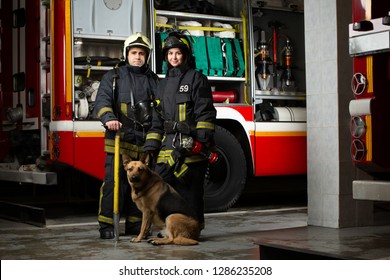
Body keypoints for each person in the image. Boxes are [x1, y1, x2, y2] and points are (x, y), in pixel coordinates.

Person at [143, 32, 217, 228]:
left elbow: (205, 112)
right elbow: (157, 119)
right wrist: (151, 145)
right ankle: (170, 227)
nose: (173, 57)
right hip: (168, 146)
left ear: (185, 55)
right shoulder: (162, 84)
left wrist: (202, 139)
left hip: (191, 147)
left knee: (190, 190)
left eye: (178, 53)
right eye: (170, 54)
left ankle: (194, 228)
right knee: (159, 187)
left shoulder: (197, 79)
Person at [94, 32, 159, 239]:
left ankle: (135, 225)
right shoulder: (113, 77)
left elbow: (159, 109)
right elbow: (102, 102)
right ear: (126, 54)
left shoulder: (153, 80)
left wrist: (152, 139)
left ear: (146, 56)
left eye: (141, 53)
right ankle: (107, 226)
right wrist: (109, 119)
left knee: (141, 185)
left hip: (143, 142)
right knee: (114, 185)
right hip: (119, 140)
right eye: (133, 53)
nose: (137, 57)